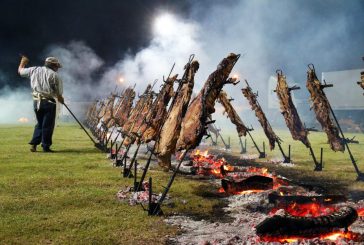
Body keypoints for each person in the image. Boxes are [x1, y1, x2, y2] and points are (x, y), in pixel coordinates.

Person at [18, 56, 64, 152]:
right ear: (53, 66)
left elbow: (20, 71)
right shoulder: (55, 76)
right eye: (57, 67)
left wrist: (23, 62)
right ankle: (46, 147)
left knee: (39, 124)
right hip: (49, 103)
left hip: (36, 102)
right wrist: (61, 100)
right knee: (48, 125)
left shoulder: (34, 70)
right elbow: (59, 94)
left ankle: (34, 144)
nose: (57, 69)